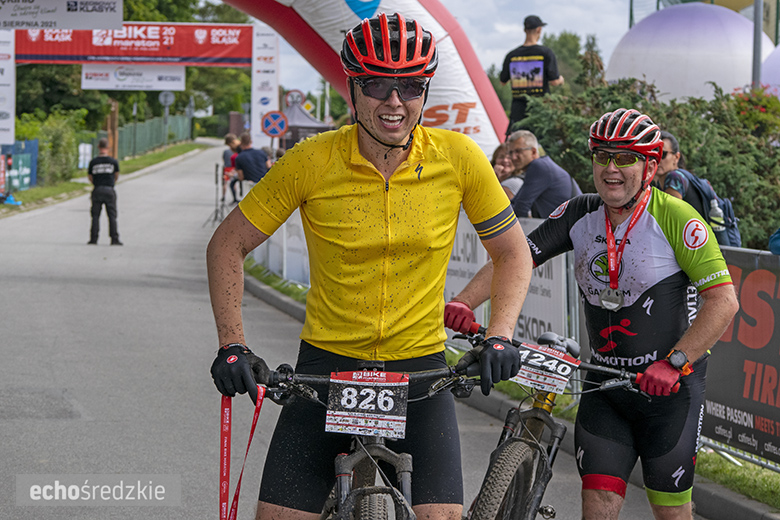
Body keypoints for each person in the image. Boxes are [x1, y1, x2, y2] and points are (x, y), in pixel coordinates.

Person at [207, 12, 533, 520]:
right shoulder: (311, 160)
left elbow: (513, 253)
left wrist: (501, 334)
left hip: (419, 370)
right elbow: (227, 245)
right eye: (378, 85)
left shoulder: (458, 157)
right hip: (327, 366)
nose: (394, 101)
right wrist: (233, 345)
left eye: (411, 86)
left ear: (426, 90)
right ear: (353, 88)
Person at [444, 108, 739, 520]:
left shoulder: (676, 217)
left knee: (671, 512)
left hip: (669, 394)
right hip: (605, 387)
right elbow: (514, 258)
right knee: (597, 505)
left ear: (649, 165)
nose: (610, 169)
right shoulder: (579, 213)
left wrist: (674, 363)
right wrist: (463, 302)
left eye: (625, 158)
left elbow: (723, 302)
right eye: (602, 156)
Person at [499, 15, 564, 136]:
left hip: (518, 111)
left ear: (525, 30)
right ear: (539, 30)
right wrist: (561, 80)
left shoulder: (512, 56)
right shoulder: (545, 53)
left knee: (517, 142)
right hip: (540, 110)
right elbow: (554, 81)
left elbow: (502, 81)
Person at [507, 130, 581, 218]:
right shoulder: (543, 165)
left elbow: (520, 207)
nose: (513, 157)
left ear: (533, 152)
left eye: (518, 151)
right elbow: (516, 204)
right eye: (510, 152)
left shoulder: (539, 166)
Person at [87, 138, 122, 246]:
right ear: (108, 147)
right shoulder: (113, 162)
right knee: (112, 215)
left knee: (95, 215)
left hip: (97, 189)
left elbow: (90, 176)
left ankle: (93, 239)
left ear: (98, 147)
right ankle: (114, 239)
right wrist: (111, 183)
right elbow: (116, 175)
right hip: (109, 190)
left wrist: (96, 183)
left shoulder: (93, 162)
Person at [222, 134, 240, 203]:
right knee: (233, 183)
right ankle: (234, 197)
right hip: (233, 168)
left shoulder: (226, 152)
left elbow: (223, 159)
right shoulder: (236, 150)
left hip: (227, 168)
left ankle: (223, 196)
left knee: (225, 183)